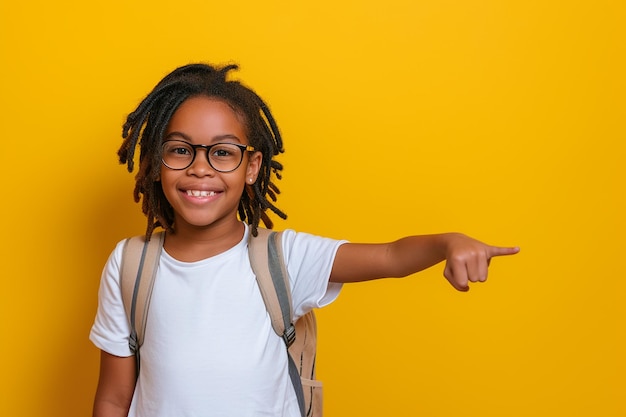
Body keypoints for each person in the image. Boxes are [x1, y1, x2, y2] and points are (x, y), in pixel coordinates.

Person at [90, 63, 519, 417]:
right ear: (154, 162)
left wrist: (448, 242)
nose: (201, 168)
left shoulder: (285, 258)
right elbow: (113, 397)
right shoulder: (132, 265)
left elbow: (389, 256)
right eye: (181, 150)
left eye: (222, 152)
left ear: (252, 167)